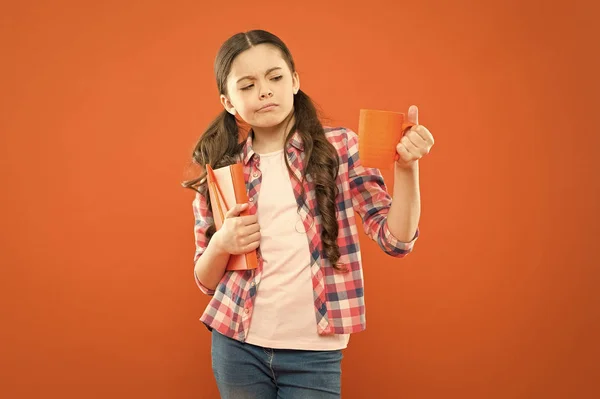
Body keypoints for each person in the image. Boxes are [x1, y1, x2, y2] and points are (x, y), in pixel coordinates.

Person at [182, 29, 435, 399]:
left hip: (314, 354)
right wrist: (222, 243)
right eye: (247, 85)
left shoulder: (341, 148)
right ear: (229, 101)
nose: (265, 91)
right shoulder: (222, 167)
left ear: (295, 81)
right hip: (236, 343)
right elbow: (205, 280)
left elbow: (396, 240)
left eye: (275, 77)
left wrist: (407, 168)